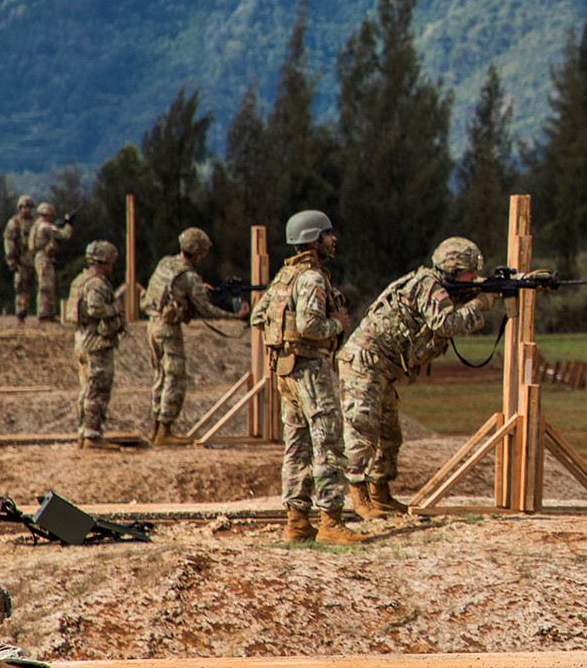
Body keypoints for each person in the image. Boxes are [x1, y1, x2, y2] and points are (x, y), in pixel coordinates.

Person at [337, 236, 494, 516]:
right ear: (453, 271)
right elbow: (445, 323)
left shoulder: (440, 286)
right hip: (364, 362)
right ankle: (358, 497)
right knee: (363, 429)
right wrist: (480, 303)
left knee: (390, 434)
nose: (475, 276)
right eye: (470, 272)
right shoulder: (427, 286)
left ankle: (380, 494)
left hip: (381, 366)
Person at [254, 210, 361, 545]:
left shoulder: (285, 276)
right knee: (328, 440)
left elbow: (259, 317)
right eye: (328, 234)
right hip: (309, 369)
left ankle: (297, 522)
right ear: (315, 240)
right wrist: (338, 326)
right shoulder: (312, 279)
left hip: (285, 370)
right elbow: (309, 326)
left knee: (297, 443)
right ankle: (331, 521)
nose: (333, 240)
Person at [142, 227, 240, 441]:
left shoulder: (166, 263)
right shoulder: (189, 276)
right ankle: (165, 432)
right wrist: (235, 317)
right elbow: (206, 309)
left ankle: (155, 428)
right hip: (168, 328)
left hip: (152, 325)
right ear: (200, 253)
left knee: (161, 376)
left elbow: (170, 288)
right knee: (175, 378)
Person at [66, 240, 125, 444]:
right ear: (105, 262)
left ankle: (84, 432)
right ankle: (92, 435)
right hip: (96, 343)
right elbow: (95, 309)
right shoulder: (97, 283)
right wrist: (116, 309)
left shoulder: (81, 280)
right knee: (98, 389)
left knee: (87, 389)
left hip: (82, 339)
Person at [29, 203, 73, 326]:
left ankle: (49, 315)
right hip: (44, 258)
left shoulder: (37, 225)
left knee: (48, 286)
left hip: (41, 257)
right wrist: (69, 223)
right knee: (45, 287)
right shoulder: (45, 227)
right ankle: (44, 316)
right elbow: (65, 235)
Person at [2, 194, 37, 320]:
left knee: (42, 288)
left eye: (29, 207)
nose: (27, 209)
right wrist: (11, 259)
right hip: (21, 260)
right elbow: (9, 242)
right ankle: (21, 314)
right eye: (24, 207)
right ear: (20, 208)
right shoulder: (14, 223)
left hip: (34, 259)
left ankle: (43, 314)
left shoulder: (35, 222)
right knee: (21, 288)